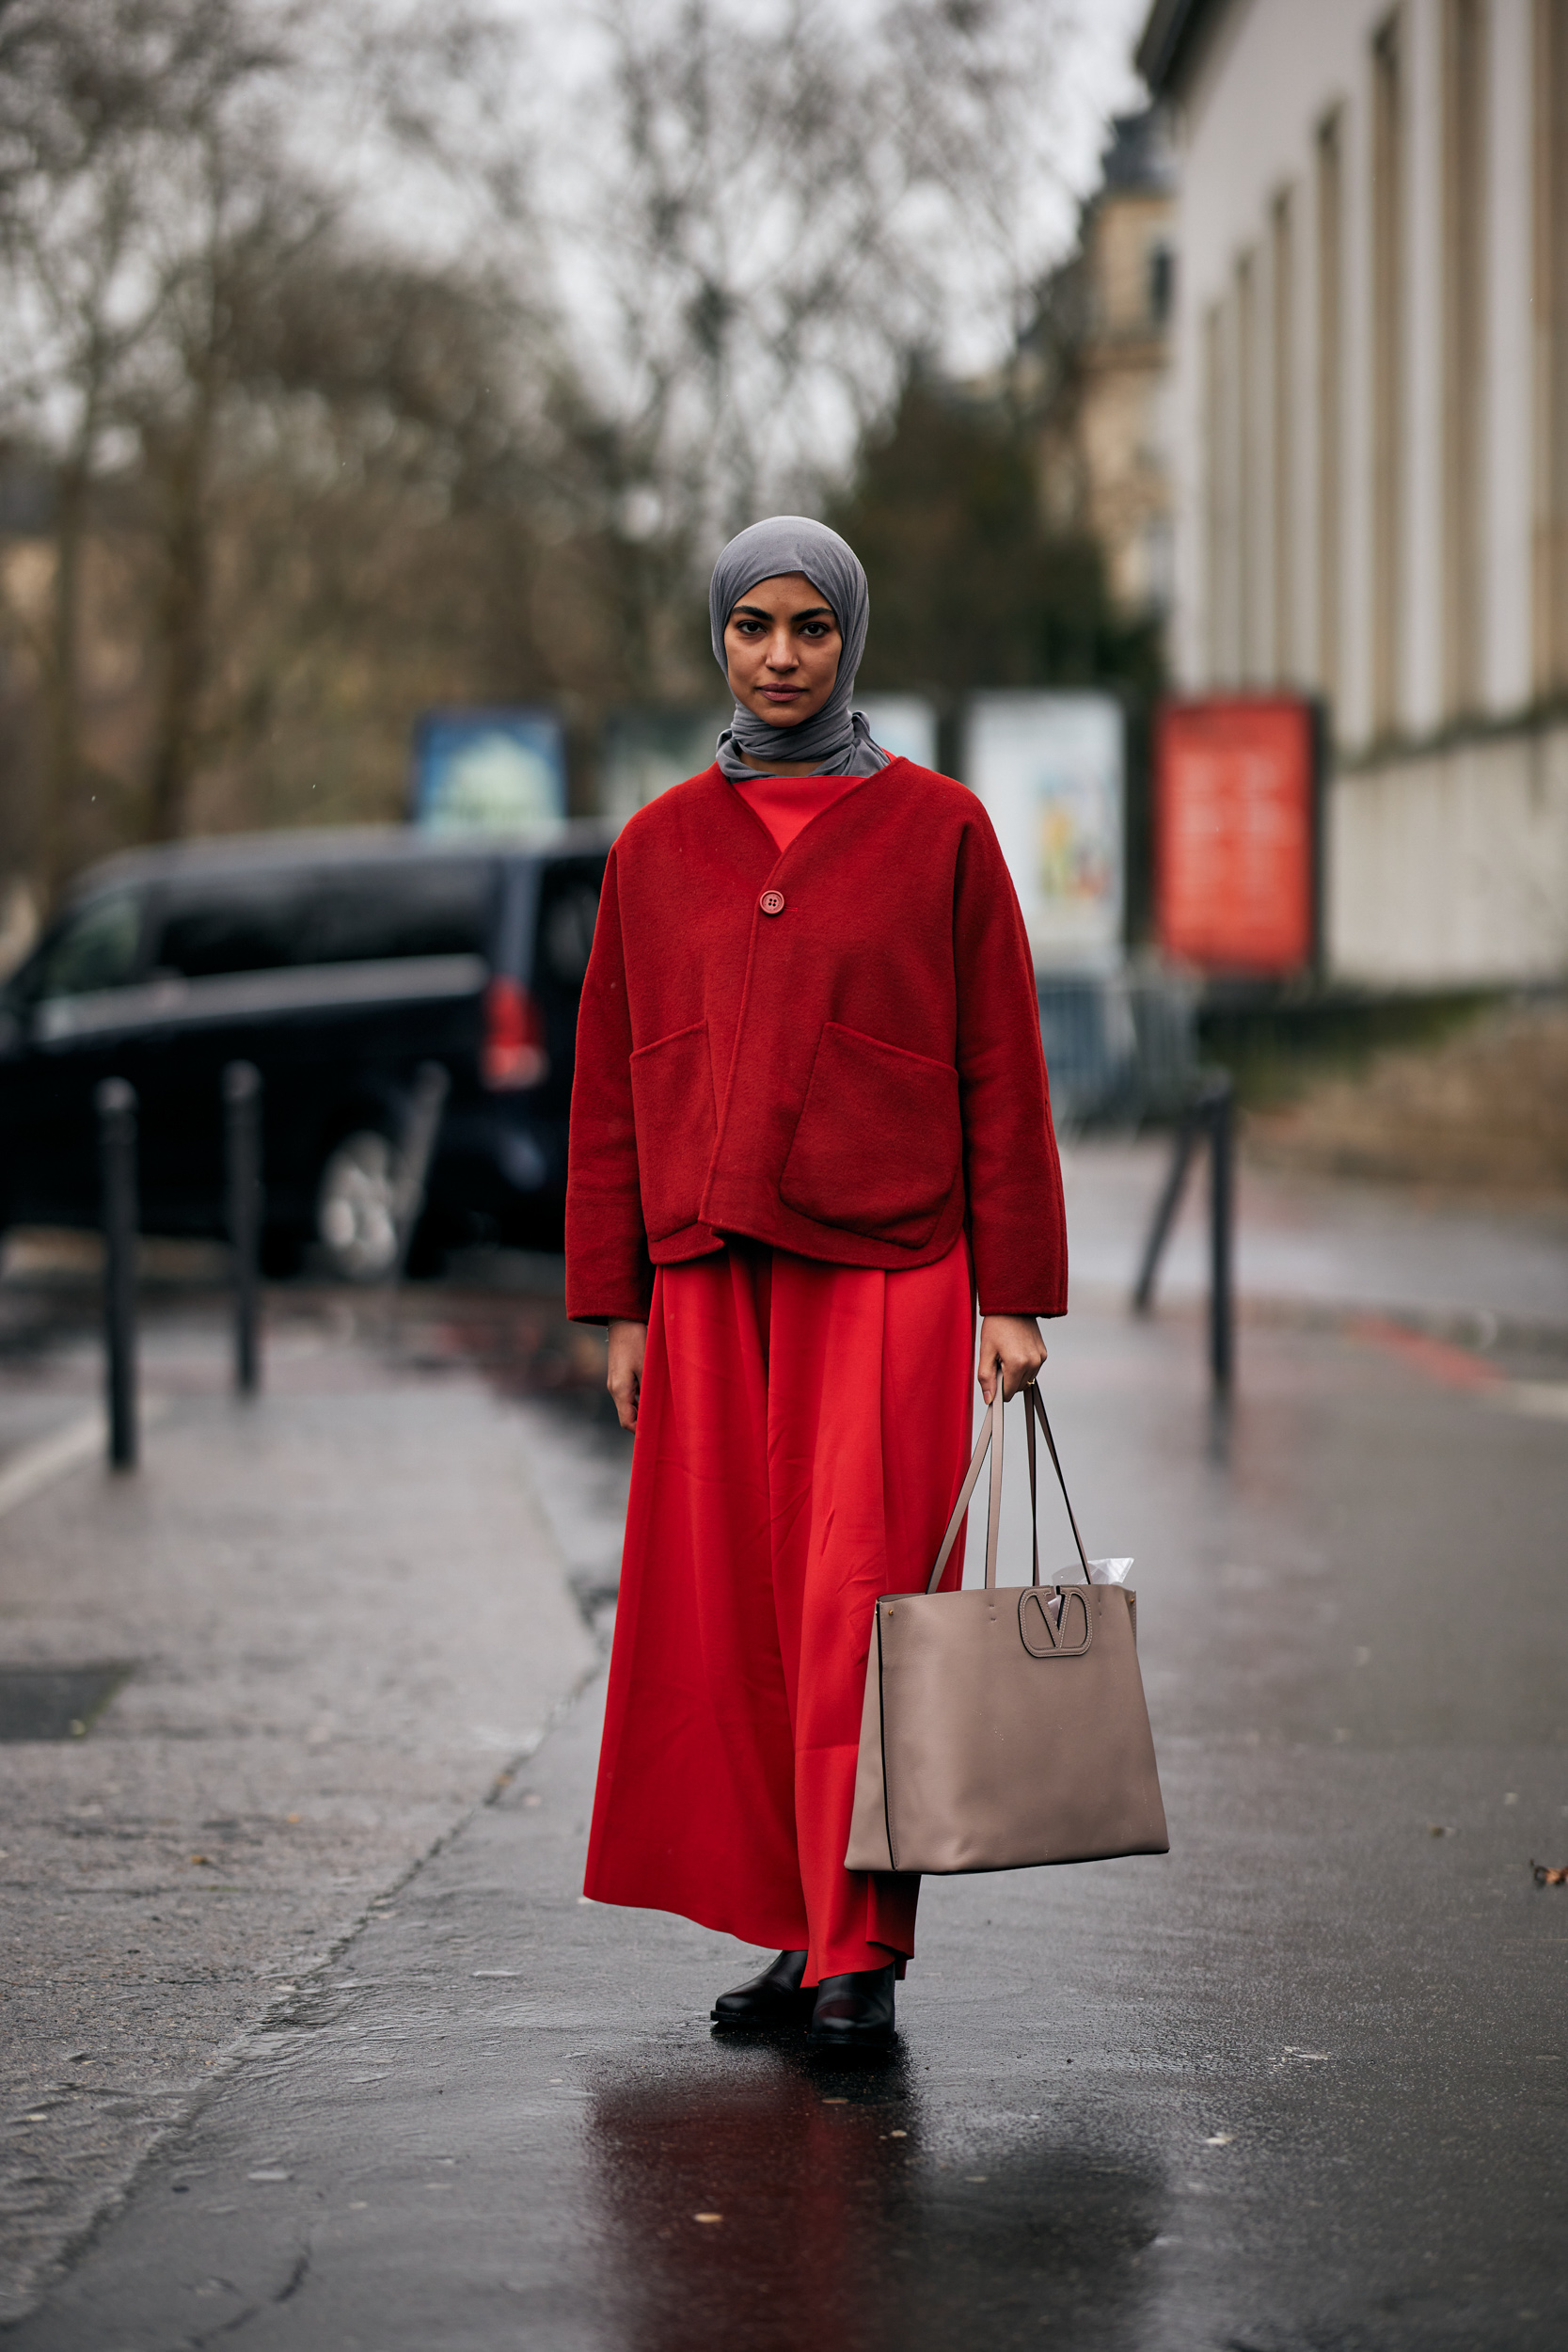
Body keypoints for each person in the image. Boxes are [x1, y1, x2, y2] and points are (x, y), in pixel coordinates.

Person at [566, 516, 1066, 2049]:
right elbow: (603, 1085)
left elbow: (1001, 1065)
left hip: (896, 1267)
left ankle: (863, 1949)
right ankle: (796, 1926)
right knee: (737, 1618)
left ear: (852, 640)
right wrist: (616, 1303)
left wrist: (1015, 1293)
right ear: (717, 639)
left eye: (811, 629)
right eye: (752, 628)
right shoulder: (655, 848)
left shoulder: (943, 832)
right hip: (711, 1278)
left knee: (863, 1606)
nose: (781, 656)